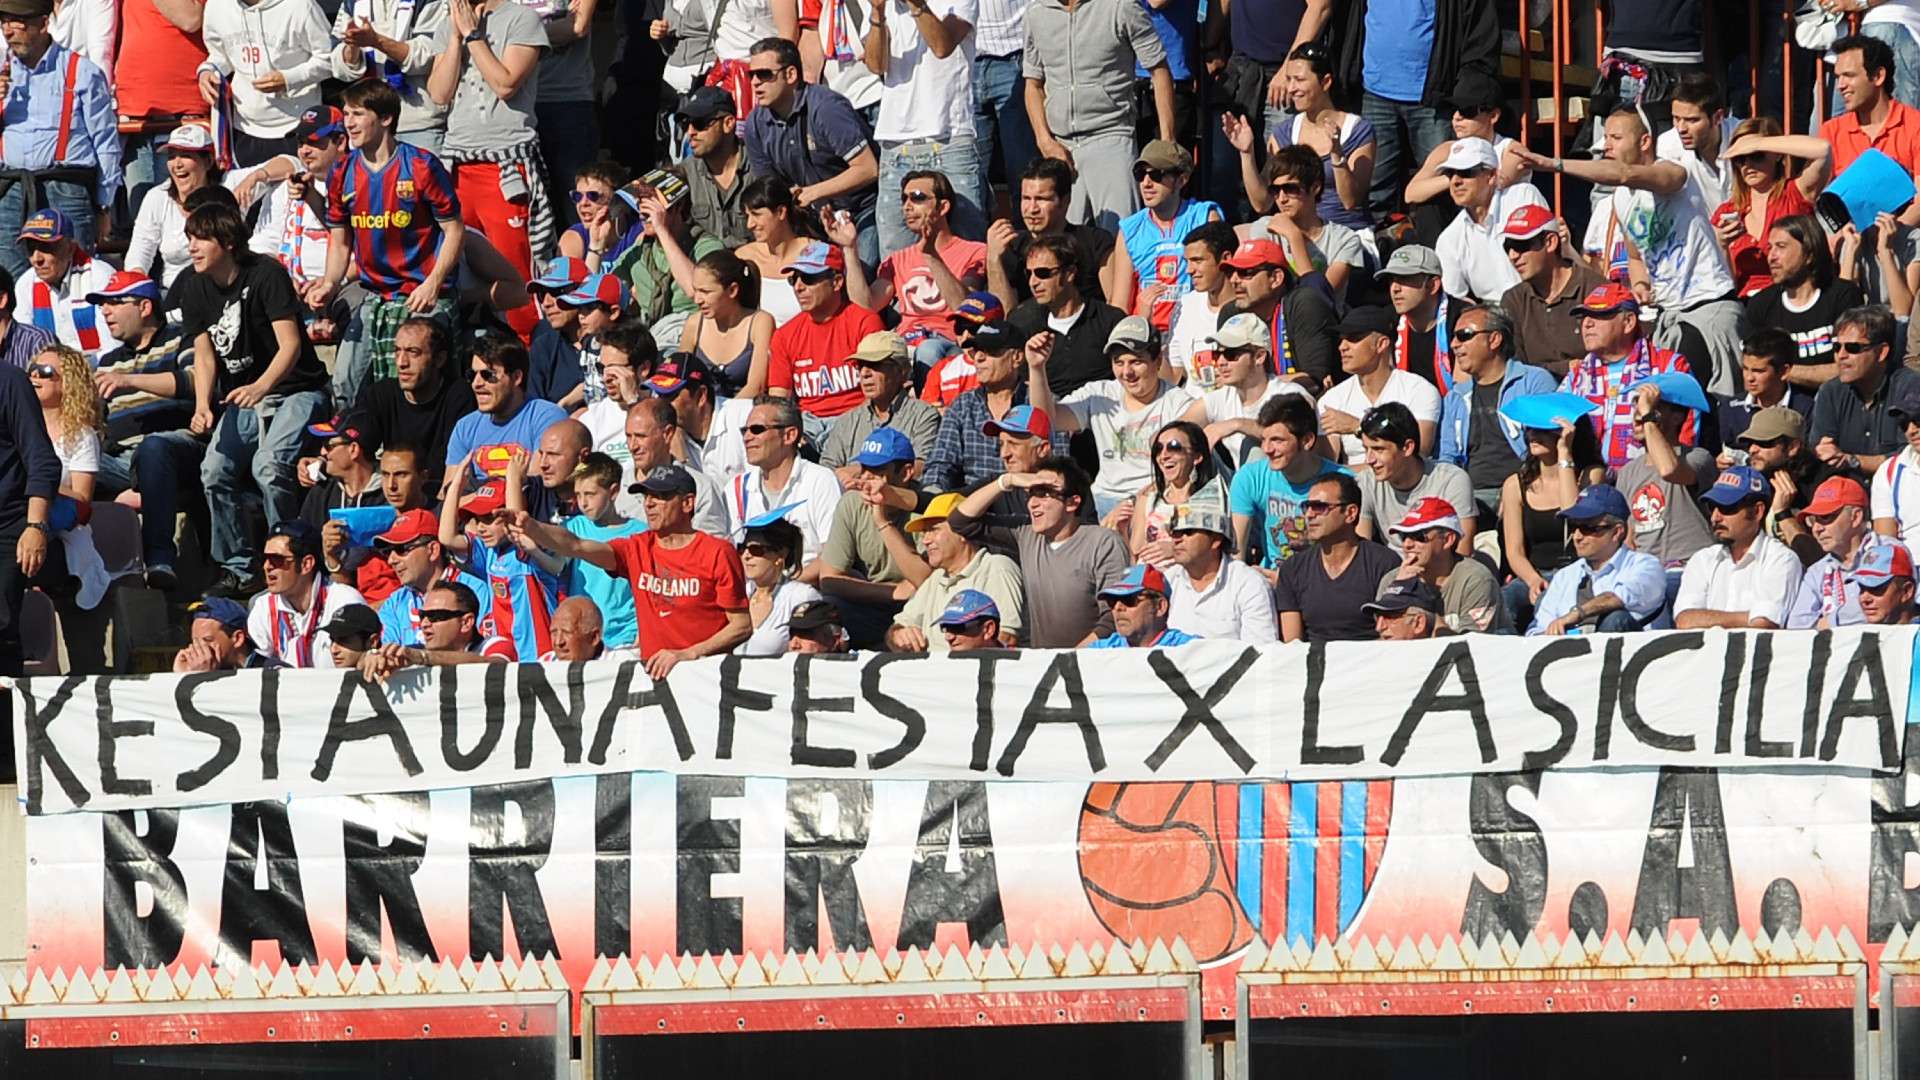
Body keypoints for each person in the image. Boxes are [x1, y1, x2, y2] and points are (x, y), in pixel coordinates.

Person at [1527, 110, 1743, 394]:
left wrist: (1552, 164)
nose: (1607, 146)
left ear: (1644, 142)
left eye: (1616, 138)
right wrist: (1640, 283)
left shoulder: (1675, 171)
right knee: (1664, 405)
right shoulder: (1621, 199)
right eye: (1606, 139)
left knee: (1716, 404)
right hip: (1668, 315)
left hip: (1708, 306)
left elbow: (1624, 173)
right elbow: (1635, 256)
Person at [176, 201, 330, 594]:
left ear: (227, 242)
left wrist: (261, 387)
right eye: (189, 239)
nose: (192, 247)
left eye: (200, 239)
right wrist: (202, 406)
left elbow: (291, 345)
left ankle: (289, 557)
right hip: (242, 397)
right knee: (214, 471)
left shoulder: (266, 275)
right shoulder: (194, 286)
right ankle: (239, 566)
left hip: (297, 389)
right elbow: (205, 352)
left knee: (268, 466)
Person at [310, 79, 465, 411]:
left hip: (422, 295)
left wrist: (433, 284)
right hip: (376, 295)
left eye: (357, 114)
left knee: (418, 386)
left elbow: (454, 231)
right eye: (346, 114)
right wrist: (329, 283)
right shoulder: (342, 172)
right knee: (345, 384)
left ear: (385, 119)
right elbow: (340, 242)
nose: (348, 123)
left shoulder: (420, 165)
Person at [514, 464, 752, 677]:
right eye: (646, 496)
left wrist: (688, 654)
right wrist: (533, 527)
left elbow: (741, 626)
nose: (648, 503)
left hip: (705, 679)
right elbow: (577, 545)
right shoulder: (636, 548)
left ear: (688, 503)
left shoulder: (717, 552)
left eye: (660, 496)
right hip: (655, 678)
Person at [87, 269, 201, 591]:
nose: (105, 311)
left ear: (145, 307)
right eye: (102, 305)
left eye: (114, 303)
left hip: (177, 448)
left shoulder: (182, 338)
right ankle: (71, 572)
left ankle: (160, 558)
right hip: (122, 460)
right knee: (65, 463)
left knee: (153, 448)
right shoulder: (108, 360)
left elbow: (193, 382)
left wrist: (129, 380)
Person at [427, 0, 551, 283]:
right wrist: (455, 39)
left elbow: (505, 84)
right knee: (460, 267)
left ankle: (527, 329)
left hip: (505, 162)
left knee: (515, 267)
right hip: (457, 162)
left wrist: (473, 35)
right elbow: (438, 94)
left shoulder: (522, 18)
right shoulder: (447, 25)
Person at [1021, 0, 1173, 230]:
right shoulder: (1036, 13)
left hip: (1112, 137)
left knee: (1119, 240)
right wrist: (1045, 140)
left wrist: (1167, 141)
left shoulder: (1121, 6)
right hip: (1060, 146)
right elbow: (1033, 84)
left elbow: (1159, 70)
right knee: (1061, 248)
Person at [948, 454, 1130, 646]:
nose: (1032, 503)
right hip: (1043, 666)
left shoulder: (1102, 542)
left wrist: (1070, 661)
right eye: (1032, 494)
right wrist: (1006, 480)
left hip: (1093, 664)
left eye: (1044, 494)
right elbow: (960, 521)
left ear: (1072, 502)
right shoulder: (1026, 534)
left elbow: (1114, 616)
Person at [1029, 314, 1196, 517]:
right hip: (1101, 499)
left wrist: (1131, 507)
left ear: (1158, 361)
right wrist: (1037, 368)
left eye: (1136, 362)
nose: (1127, 372)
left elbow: (1180, 474)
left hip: (1155, 500)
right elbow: (1047, 420)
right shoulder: (1100, 394)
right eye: (1118, 362)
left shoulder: (1178, 404)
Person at [0, 0, 121, 275]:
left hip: (66, 187)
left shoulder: (82, 71)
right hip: (11, 188)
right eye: (4, 22)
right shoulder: (2, 71)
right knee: (9, 278)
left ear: (43, 24)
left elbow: (105, 142)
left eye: (17, 23)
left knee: (74, 277)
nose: (8, 31)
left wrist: (104, 205)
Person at [739, 36, 880, 266]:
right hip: (812, 222)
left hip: (861, 212)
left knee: (861, 282)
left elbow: (868, 169)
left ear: (791, 74)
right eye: (751, 75)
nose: (755, 82)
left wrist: (813, 193)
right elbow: (771, 190)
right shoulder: (755, 124)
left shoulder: (826, 108)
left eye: (764, 74)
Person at [863, 0, 986, 256]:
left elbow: (942, 46)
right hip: (895, 143)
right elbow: (876, 64)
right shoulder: (887, 7)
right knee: (895, 257)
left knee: (967, 250)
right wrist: (877, 11)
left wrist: (915, 5)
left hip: (950, 140)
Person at [838, 170, 988, 372]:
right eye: (904, 199)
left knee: (928, 350)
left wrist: (931, 257)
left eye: (917, 198)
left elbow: (964, 308)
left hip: (948, 343)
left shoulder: (974, 252)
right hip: (905, 344)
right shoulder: (898, 259)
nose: (907, 206)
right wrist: (849, 248)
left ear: (943, 206)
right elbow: (866, 306)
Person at [1233, 41, 1374, 246]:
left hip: (1344, 235)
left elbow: (1350, 201)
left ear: (1325, 82)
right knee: (1231, 239)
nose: (1291, 89)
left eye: (1299, 80)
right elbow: (1262, 203)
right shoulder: (1285, 132)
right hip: (1294, 232)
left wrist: (1337, 154)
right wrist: (1246, 154)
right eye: (1288, 80)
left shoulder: (1358, 130)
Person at [1558, 283, 1693, 471]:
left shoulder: (1668, 366)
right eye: (1584, 317)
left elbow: (1689, 432)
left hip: (1650, 482)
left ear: (1629, 321)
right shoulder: (1577, 375)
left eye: (1599, 315)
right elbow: (1556, 427)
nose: (1587, 323)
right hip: (1590, 484)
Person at [1497, 396, 1605, 631]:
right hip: (1532, 574)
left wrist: (1564, 455)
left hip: (1578, 573)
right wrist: (1533, 579)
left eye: (1544, 430)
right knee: (1504, 603)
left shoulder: (1591, 475)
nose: (1532, 435)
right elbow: (1514, 551)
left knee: (1550, 603)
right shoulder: (1515, 485)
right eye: (1530, 429)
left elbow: (1574, 516)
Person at [1438, 304, 1556, 510]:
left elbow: (1546, 447)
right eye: (1454, 336)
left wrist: (1515, 492)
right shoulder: (1455, 397)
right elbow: (1448, 459)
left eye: (1464, 335)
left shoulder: (1534, 381)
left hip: (1526, 489)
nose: (1454, 344)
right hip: (1470, 497)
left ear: (1494, 339)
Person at [766, 240, 885, 444]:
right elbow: (779, 401)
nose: (799, 287)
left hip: (857, 422)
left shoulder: (864, 322)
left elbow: (881, 395)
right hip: (807, 427)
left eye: (809, 278)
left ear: (837, 282)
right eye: (793, 279)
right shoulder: (784, 335)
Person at [923, 318, 1059, 493]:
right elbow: (941, 463)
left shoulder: (1043, 402)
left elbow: (1058, 464)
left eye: (990, 351)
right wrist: (933, 493)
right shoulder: (963, 405)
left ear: (1017, 357)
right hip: (973, 504)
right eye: (977, 350)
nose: (978, 357)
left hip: (1029, 500)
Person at [1617, 375, 1720, 600]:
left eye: (1652, 406)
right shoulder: (1627, 472)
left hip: (1691, 567)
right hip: (1647, 571)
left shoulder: (1698, 457)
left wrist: (1648, 417)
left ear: (1677, 417)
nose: (1638, 413)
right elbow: (1629, 535)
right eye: (1636, 404)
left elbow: (1669, 470)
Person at [817, 427, 924, 641]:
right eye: (864, 468)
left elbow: (925, 582)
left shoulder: (928, 505)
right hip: (874, 603)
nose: (865, 478)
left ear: (905, 473)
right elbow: (828, 579)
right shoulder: (852, 502)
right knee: (824, 611)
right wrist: (892, 592)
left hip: (921, 606)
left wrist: (882, 522)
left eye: (877, 471)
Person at [440, 467, 560, 658]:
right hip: (506, 657)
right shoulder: (489, 551)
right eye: (477, 519)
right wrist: (456, 485)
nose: (480, 527)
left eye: (489, 518)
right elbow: (447, 538)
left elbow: (518, 526)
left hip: (540, 656)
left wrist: (512, 478)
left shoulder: (527, 549)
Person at [194, 0, 331, 168]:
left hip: (296, 127)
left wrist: (288, 79)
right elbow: (220, 55)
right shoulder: (217, 6)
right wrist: (207, 70)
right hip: (244, 129)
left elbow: (330, 59)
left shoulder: (300, 6)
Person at [1667, 465, 1804, 630]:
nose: (1715, 517)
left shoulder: (1781, 559)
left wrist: (1706, 619)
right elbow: (1684, 621)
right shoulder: (1702, 559)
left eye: (1726, 507)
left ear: (1757, 512)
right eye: (1711, 507)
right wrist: (1749, 617)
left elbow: (1764, 623)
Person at [1106, 141, 1223, 330]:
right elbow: (1120, 304)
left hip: (1196, 329)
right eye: (1140, 174)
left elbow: (1221, 282)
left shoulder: (1205, 216)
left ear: (1181, 180)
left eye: (1156, 175)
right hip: (1147, 333)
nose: (1146, 183)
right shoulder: (1129, 229)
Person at [886, 491, 1024, 650]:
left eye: (934, 530)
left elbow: (1007, 639)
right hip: (936, 671)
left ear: (963, 532)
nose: (925, 540)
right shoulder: (937, 577)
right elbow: (899, 626)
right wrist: (899, 634)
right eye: (925, 532)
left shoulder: (997, 568)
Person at [1711, 118, 1831, 299]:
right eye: (1740, 159)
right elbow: (1723, 284)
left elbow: (1823, 151)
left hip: (1792, 297)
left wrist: (1759, 143)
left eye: (1756, 155)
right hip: (1746, 305)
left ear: (1777, 154)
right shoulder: (1726, 212)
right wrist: (1721, 246)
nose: (1748, 165)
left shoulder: (1795, 193)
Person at [1525, 485, 1670, 635]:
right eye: (1573, 527)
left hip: (1632, 655)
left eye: (1588, 528)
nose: (1577, 537)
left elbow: (1618, 597)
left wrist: (1575, 615)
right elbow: (1536, 629)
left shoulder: (1646, 566)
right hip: (1572, 654)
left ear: (1616, 532)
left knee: (1616, 619)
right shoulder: (1564, 576)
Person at [26, 344, 109, 607]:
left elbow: (83, 498)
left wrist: (40, 482)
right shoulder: (16, 426)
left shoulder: (81, 435)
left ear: (68, 383)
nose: (36, 376)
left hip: (60, 522)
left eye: (46, 371)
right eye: (33, 370)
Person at [1275, 471, 1401, 642]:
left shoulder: (1384, 564)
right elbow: (1292, 644)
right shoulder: (1293, 569)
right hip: (1313, 663)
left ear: (1350, 513)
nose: (1309, 515)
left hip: (1369, 662)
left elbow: (1392, 635)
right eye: (1307, 506)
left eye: (1319, 507)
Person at [1744, 215, 1865, 389]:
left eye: (1781, 247)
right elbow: (1753, 372)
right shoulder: (1760, 304)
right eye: (1770, 248)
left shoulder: (1842, 296)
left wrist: (1780, 372)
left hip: (1836, 401)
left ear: (1809, 254)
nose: (1771, 256)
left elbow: (1852, 366)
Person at [125, 122, 251, 288]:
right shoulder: (157, 197)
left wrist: (256, 177)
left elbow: (291, 163)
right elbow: (139, 252)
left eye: (185, 155)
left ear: (208, 161)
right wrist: (137, 280)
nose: (177, 164)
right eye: (171, 156)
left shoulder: (230, 183)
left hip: (226, 288)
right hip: (173, 292)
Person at [1229, 393, 1344, 573]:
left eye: (1277, 440)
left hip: (1323, 583)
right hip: (1271, 578)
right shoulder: (1250, 478)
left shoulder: (1341, 483)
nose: (1267, 449)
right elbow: (1236, 555)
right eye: (1264, 439)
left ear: (1307, 441)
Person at [1177, 311, 1309, 466]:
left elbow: (1290, 439)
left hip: (1288, 484)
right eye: (1217, 354)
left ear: (1259, 356)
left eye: (1231, 354)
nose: (1220, 362)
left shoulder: (1290, 395)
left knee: (1256, 449)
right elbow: (1173, 432)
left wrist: (1237, 425)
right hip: (1239, 484)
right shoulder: (1220, 397)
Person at [355, 317, 476, 486]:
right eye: (397, 351)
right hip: (394, 491)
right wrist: (320, 462)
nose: (401, 363)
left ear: (439, 359)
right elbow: (357, 449)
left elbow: (456, 465)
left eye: (413, 352)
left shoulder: (458, 397)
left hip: (439, 494)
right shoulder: (381, 394)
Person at [724, 396, 843, 567]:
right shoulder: (735, 489)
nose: (747, 437)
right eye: (745, 430)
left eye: (757, 429)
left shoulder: (821, 481)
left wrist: (783, 586)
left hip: (810, 589)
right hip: (752, 590)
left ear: (789, 435)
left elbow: (833, 559)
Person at [984, 156, 1116, 310]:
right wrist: (993, 260)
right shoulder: (1010, 246)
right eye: (1026, 198)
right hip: (1027, 332)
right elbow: (1004, 315)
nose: (1032, 209)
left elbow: (1114, 305)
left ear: (1065, 201)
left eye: (1041, 199)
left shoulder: (1095, 242)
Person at [1005, 233, 1127, 394]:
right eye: (1029, 274)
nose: (1033, 282)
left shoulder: (1110, 321)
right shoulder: (1021, 322)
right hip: (1046, 412)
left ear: (1070, 273)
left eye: (1043, 273)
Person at [1317, 305, 1441, 465]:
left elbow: (1418, 452)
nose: (1342, 347)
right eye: (1341, 339)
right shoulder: (1332, 399)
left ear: (1381, 344)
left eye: (1353, 338)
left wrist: (1358, 427)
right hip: (1353, 486)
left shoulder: (1419, 390)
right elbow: (1325, 465)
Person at [1243, 145, 1367, 303]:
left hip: (1320, 324)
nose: (1282, 199)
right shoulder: (1266, 229)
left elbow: (1317, 298)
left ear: (1315, 188)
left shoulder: (1345, 240)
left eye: (1290, 189)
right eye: (1275, 190)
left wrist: (1294, 237)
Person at [1433, 137, 1549, 304]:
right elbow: (1455, 302)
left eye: (1466, 172)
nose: (1455, 181)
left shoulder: (1523, 196)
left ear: (1492, 176)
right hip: (1496, 319)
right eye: (1450, 174)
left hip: (1541, 302)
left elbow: (1547, 262)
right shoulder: (1448, 239)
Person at [1352, 401, 1475, 556]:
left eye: (1378, 449)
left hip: (1443, 570)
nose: (1369, 459)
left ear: (1407, 447)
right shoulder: (1366, 482)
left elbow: (1463, 550)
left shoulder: (1451, 480)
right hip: (1393, 572)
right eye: (1366, 449)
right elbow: (1363, 551)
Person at [1810, 304, 1920, 476]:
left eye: (1853, 348)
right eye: (1837, 347)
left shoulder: (1910, 388)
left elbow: (1909, 459)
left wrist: (1852, 460)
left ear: (1882, 352)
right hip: (1845, 495)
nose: (1841, 355)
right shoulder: (1830, 392)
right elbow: (1822, 451)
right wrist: (1825, 452)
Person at [1499, 205, 1607, 376]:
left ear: (1550, 242)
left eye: (1521, 244)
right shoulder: (1513, 300)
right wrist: (1564, 368)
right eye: (1508, 247)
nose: (1513, 255)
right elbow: (1513, 370)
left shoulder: (1596, 290)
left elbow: (1613, 358)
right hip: (1535, 396)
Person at [817, 331, 943, 479]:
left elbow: (923, 468)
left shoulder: (924, 416)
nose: (864, 373)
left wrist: (863, 470)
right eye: (860, 365)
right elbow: (825, 474)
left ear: (902, 371)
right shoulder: (847, 421)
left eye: (875, 364)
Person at [329, 0, 449, 155]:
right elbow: (338, 68)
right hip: (367, 126)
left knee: (424, 179)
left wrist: (377, 41)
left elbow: (430, 57)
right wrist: (353, 45)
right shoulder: (351, 3)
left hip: (418, 125)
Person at [244, 520, 369, 668]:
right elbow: (256, 671)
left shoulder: (345, 601)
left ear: (306, 564)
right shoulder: (263, 607)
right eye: (265, 559)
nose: (267, 567)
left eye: (277, 560)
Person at [1216, 237, 1337, 389]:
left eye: (1245, 272)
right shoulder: (1231, 313)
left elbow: (1314, 378)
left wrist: (1253, 384)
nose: (1234, 280)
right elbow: (1225, 377)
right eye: (1230, 273)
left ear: (1276, 278)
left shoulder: (1304, 303)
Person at [445, 334, 568, 484]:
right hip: (475, 506)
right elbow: (448, 492)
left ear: (516, 377)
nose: (476, 384)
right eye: (472, 374)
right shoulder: (465, 427)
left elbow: (535, 488)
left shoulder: (546, 417)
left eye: (488, 375)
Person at [1377, 496, 1508, 634]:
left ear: (1447, 540)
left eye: (1419, 536)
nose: (1407, 544)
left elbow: (1470, 648)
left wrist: (1417, 596)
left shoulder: (1476, 580)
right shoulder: (1392, 582)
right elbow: (1384, 638)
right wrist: (1399, 591)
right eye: (1404, 536)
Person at [1401, 68, 1527, 206]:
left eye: (1467, 111)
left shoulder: (1511, 151)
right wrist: (1452, 177)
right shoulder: (1447, 149)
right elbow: (1411, 194)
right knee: (1430, 206)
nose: (1457, 117)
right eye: (1453, 110)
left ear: (1493, 115)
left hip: (1501, 221)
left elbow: (1497, 184)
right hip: (1466, 221)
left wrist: (1461, 175)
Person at [371, 507, 487, 647]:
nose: (391, 560)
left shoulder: (476, 589)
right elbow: (387, 653)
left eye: (402, 549)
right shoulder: (395, 602)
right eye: (387, 551)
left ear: (433, 550)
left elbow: (487, 649)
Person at [1162, 501, 1274, 643]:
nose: (1177, 539)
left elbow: (1261, 651)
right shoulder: (1167, 582)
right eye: (1174, 532)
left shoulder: (1249, 584)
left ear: (1215, 540)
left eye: (1188, 532)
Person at [359, 580, 517, 680]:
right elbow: (359, 665)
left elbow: (497, 666)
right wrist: (371, 658)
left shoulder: (493, 645)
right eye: (422, 615)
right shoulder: (414, 653)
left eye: (436, 616)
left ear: (466, 622)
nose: (425, 623)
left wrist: (423, 658)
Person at [1787, 477, 1889, 628]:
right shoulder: (1817, 570)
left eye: (1825, 518)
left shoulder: (1889, 552)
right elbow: (1797, 626)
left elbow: (1882, 608)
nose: (1817, 529)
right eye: (1813, 520)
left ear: (1855, 517)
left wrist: (1828, 621)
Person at [14, 208, 114, 361]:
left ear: (70, 248)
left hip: (97, 372)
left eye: (46, 248)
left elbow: (112, 347)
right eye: (30, 249)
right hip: (47, 374)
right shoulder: (26, 283)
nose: (36, 259)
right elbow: (23, 346)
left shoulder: (100, 276)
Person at [619, 395, 728, 533]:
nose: (632, 446)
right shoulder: (616, 489)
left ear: (668, 433)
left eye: (641, 436)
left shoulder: (701, 488)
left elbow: (711, 547)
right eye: (628, 436)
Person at [1116, 417, 1219, 559]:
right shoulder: (1148, 500)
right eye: (1158, 449)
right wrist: (1123, 531)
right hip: (1150, 577)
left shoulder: (1211, 500)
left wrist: (1175, 550)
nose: (1163, 455)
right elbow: (1136, 560)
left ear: (1197, 457)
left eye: (1174, 447)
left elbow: (1214, 555)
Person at [649, 351, 753, 490]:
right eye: (659, 395)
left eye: (670, 395)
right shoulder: (667, 434)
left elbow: (758, 488)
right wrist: (680, 463)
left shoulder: (745, 417)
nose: (663, 404)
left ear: (701, 395)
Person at [1821, 34, 1920, 177]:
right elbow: (1814, 195)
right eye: (1838, 77)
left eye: (1849, 75)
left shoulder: (1915, 126)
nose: (1840, 86)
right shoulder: (1831, 131)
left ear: (1878, 76)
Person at [679, 250, 774, 399]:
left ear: (732, 290)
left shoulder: (760, 323)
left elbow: (757, 386)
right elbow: (680, 377)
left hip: (741, 414)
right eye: (696, 290)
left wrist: (723, 416)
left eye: (705, 291)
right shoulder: (694, 324)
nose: (697, 299)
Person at [736, 508, 825, 656]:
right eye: (742, 548)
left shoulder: (802, 596)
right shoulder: (738, 593)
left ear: (781, 555)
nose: (746, 556)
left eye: (756, 550)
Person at [1716, 330, 1816, 449]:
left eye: (1759, 371)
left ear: (1784, 371)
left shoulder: (1806, 408)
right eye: (1745, 369)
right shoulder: (1730, 408)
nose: (1749, 378)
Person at [1162, 221, 1235, 381]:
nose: (1189, 270)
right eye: (1187, 262)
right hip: (1189, 403)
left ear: (1226, 258)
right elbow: (1173, 378)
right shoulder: (1185, 306)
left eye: (1198, 261)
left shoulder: (1248, 308)